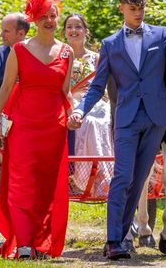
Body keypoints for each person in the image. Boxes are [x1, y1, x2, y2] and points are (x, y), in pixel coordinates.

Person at [68, 0, 166, 260]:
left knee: (139, 178)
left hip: (155, 119)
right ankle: (113, 240)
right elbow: (97, 86)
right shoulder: (110, 44)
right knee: (122, 177)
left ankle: (123, 235)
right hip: (126, 119)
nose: (138, 13)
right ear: (121, 9)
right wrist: (81, 109)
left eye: (141, 8)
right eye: (132, 9)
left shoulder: (160, 35)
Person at [0, 0, 74, 260]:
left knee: (47, 188)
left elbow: (65, 92)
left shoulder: (67, 53)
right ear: (34, 19)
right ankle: (24, 243)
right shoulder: (20, 50)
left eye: (54, 15)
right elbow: (6, 88)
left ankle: (41, 243)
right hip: (23, 126)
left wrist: (76, 112)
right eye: (44, 15)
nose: (50, 20)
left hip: (54, 128)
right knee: (23, 184)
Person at [63, 13, 113, 197]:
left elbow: (103, 86)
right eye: (69, 27)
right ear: (65, 31)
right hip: (68, 99)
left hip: (93, 100)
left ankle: (102, 174)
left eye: (78, 27)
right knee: (84, 121)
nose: (73, 30)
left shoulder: (96, 58)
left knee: (100, 118)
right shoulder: (60, 55)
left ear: (86, 31)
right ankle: (76, 177)